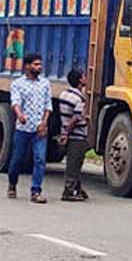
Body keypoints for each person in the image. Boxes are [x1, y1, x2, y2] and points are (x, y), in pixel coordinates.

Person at [7, 53, 52, 204]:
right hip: (23, 128)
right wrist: (20, 115)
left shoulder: (45, 83)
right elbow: (15, 102)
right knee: (17, 159)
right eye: (35, 64)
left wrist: (44, 122)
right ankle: (12, 184)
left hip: (39, 129)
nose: (39, 67)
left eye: (40, 64)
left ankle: (36, 191)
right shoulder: (17, 84)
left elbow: (48, 105)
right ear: (27, 66)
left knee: (39, 159)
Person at [58, 69, 90, 202]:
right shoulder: (79, 99)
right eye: (84, 77)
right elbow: (76, 118)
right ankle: (68, 191)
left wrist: (64, 131)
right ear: (80, 80)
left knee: (74, 162)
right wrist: (67, 132)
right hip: (77, 135)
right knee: (74, 164)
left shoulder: (64, 94)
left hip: (67, 131)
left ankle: (78, 188)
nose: (86, 79)